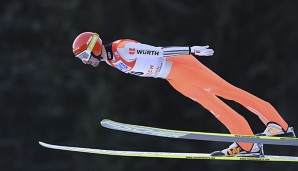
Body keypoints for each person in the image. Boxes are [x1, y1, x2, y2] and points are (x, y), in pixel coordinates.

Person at [72, 32, 295, 156]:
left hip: (181, 65)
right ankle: (248, 145)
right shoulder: (110, 59)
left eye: (85, 56)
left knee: (228, 92)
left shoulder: (122, 48)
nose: (86, 62)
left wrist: (190, 50)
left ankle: (280, 126)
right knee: (214, 107)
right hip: (172, 78)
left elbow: (158, 51)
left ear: (94, 47)